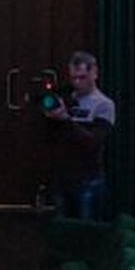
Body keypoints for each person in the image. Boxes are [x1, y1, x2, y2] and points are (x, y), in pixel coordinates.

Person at [44, 50, 115, 220]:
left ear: (94, 73)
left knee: (86, 229)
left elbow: (93, 142)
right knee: (60, 228)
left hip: (87, 179)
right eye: (74, 78)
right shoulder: (65, 97)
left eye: (82, 78)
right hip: (62, 178)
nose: (77, 83)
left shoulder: (104, 104)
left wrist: (66, 119)